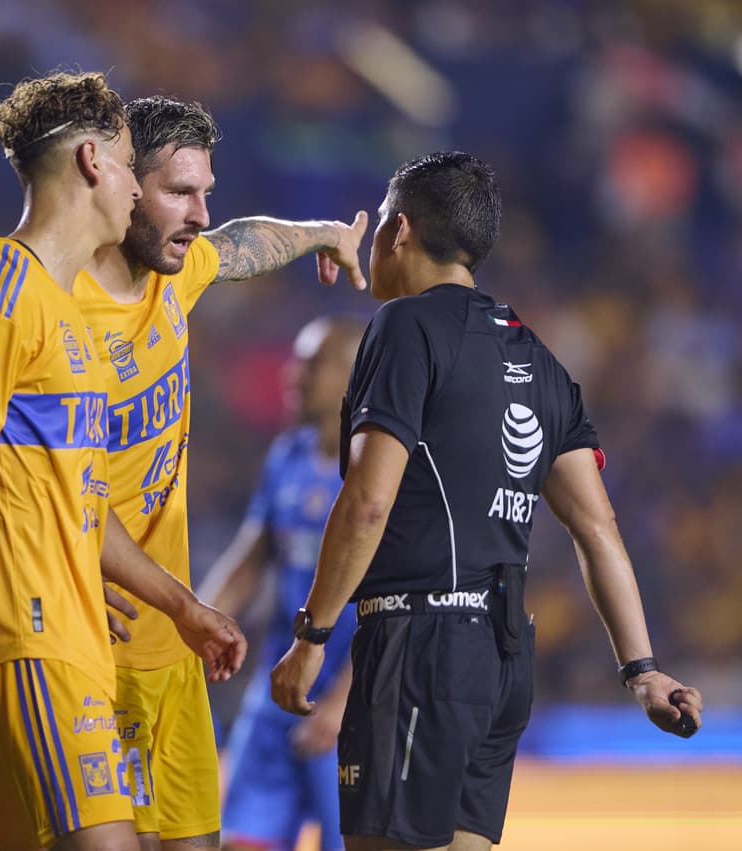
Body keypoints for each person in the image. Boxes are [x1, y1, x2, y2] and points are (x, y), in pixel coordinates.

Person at [269, 151, 705, 851]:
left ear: (400, 230)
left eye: (381, 224)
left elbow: (368, 501)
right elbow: (598, 528)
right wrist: (643, 668)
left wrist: (311, 638)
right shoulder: (540, 359)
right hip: (500, 663)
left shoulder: (403, 328)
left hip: (418, 648)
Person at [0, 72, 246, 851]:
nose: (136, 188)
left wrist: (182, 606)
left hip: (77, 638)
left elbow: (80, 501)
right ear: (95, 161)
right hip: (24, 634)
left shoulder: (54, 304)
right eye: (133, 166)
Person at [74, 95, 367, 851]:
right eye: (181, 192)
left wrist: (324, 235)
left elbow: (243, 243)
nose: (202, 215)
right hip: (82, 634)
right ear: (119, 186)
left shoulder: (177, 273)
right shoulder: (47, 308)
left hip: (168, 636)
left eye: (206, 192)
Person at [200, 317, 363, 851]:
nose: (294, 374)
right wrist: (193, 624)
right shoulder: (287, 457)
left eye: (312, 362)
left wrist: (345, 701)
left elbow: (396, 603)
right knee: (240, 841)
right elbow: (249, 561)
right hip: (276, 694)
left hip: (350, 707)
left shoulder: (377, 476)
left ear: (352, 376)